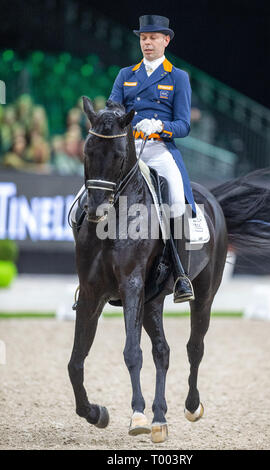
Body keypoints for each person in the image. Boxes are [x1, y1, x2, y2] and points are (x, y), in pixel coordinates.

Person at [109, 15, 196, 302]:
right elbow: (112, 112)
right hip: (127, 149)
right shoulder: (126, 75)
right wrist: (129, 127)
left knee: (175, 200)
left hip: (159, 149)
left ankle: (179, 273)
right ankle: (95, 271)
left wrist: (160, 127)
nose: (147, 43)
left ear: (165, 41)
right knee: (89, 194)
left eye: (153, 38)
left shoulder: (178, 77)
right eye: (143, 38)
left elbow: (184, 125)